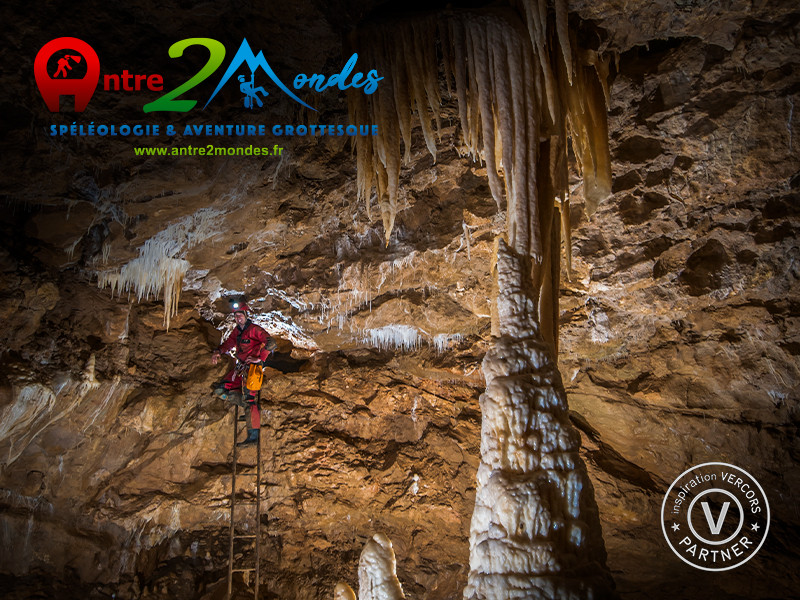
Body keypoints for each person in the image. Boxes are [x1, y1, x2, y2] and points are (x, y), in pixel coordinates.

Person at [211, 302, 275, 446]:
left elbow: (271, 343)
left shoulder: (254, 330)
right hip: (240, 368)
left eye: (240, 315)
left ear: (246, 316)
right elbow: (229, 343)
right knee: (220, 389)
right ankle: (250, 410)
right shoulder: (237, 331)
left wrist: (260, 358)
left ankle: (253, 436)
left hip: (252, 370)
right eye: (236, 315)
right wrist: (218, 351)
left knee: (249, 400)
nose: (238, 318)